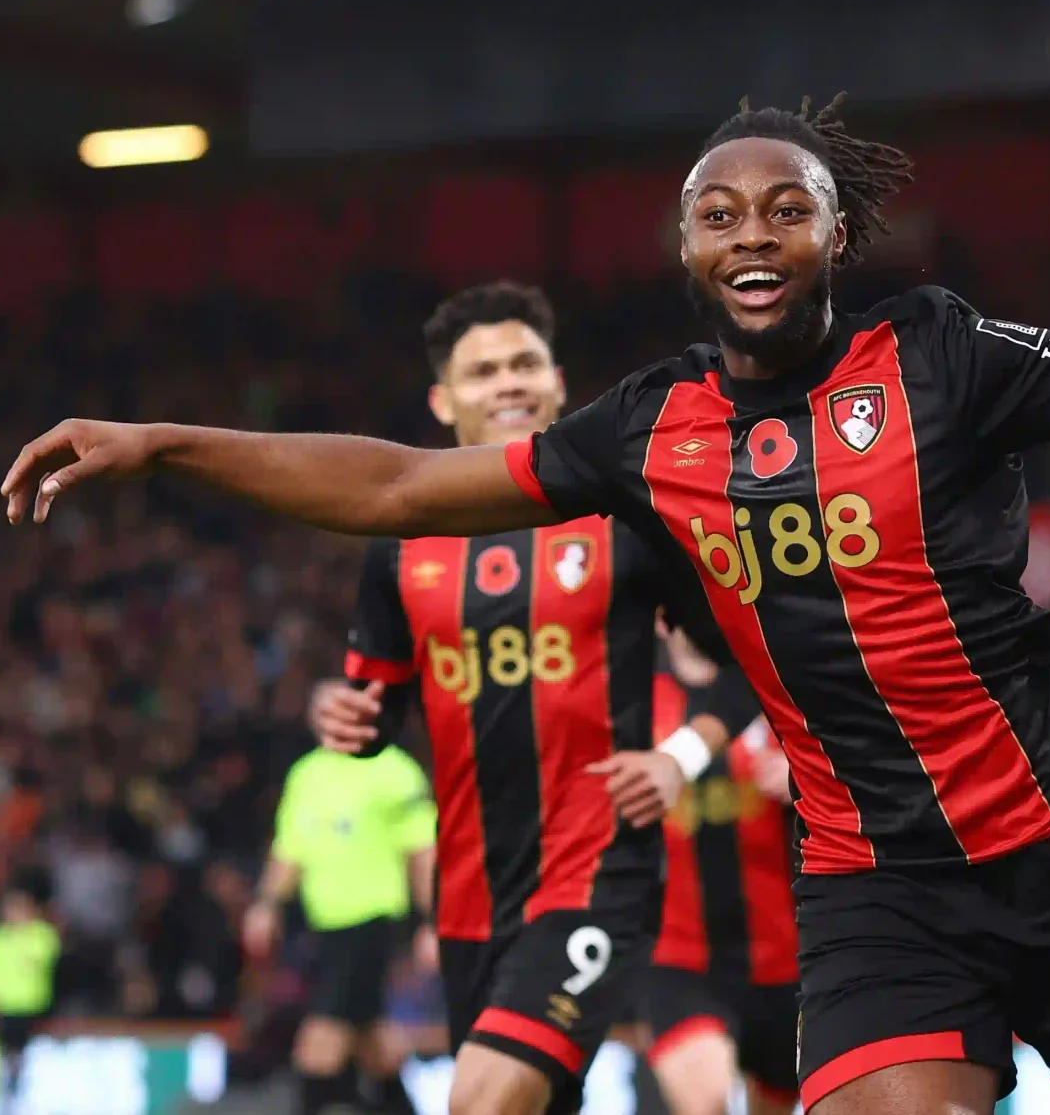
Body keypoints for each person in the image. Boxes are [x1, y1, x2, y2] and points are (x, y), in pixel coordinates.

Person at [2, 94, 1050, 1115]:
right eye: (720, 214)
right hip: (875, 879)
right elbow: (396, 491)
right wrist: (165, 444)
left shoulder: (943, 357)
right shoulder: (645, 431)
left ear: (838, 233)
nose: (754, 234)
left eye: (785, 207)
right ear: (685, 250)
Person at [303, 281, 760, 1115]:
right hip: (469, 900)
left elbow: (749, 659)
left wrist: (679, 755)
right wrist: (351, 720)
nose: (508, 382)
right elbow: (378, 707)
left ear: (557, 382)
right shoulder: (399, 546)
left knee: (481, 1100)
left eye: (524, 363)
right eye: (483, 372)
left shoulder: (629, 518)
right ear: (444, 401)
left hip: (596, 874)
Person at [641, 635, 798, 1115]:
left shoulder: (775, 691)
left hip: (783, 961)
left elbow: (853, 772)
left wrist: (805, 778)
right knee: (706, 1103)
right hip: (681, 960)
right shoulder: (639, 702)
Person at [246, 738, 438, 1115]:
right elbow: (290, 846)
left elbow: (422, 851)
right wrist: (266, 905)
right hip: (323, 929)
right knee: (373, 1043)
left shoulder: (394, 770)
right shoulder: (307, 773)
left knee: (319, 1042)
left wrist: (433, 921)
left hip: (373, 921)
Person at [0, 883, 60, 1115]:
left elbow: (41, 959)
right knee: (0, 1051)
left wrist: (21, 938)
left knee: (26, 1052)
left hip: (32, 1006)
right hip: (1, 1006)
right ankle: (2, 1093)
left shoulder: (41, 934)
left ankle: (22, 1092)